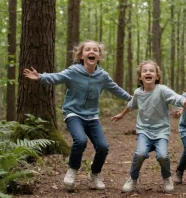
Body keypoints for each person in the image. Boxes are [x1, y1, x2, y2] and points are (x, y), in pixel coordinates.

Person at [23, 40, 132, 191]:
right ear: (81, 55)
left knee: (103, 147)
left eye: (95, 50)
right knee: (80, 141)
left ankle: (94, 174)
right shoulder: (73, 71)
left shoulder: (103, 76)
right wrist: (41, 77)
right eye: (88, 50)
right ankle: (72, 170)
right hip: (73, 114)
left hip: (92, 117)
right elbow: (57, 77)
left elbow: (117, 90)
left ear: (99, 56)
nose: (92, 52)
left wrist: (134, 99)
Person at [111, 60, 186, 193]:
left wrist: (184, 101)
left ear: (157, 76)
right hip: (144, 130)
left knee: (162, 156)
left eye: (151, 71)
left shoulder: (162, 90)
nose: (148, 72)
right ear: (140, 77)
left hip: (161, 131)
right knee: (140, 153)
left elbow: (175, 97)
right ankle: (133, 178)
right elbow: (131, 105)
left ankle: (167, 177)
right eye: (145, 71)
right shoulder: (138, 93)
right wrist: (122, 114)